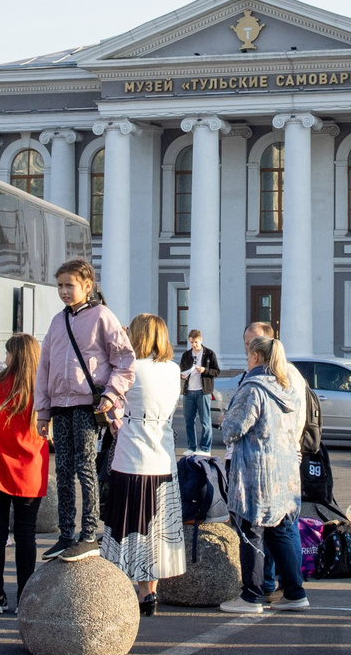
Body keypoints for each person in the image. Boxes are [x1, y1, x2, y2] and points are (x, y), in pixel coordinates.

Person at [36, 258, 134, 562]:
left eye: (70, 285)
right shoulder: (57, 321)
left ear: (87, 286)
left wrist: (111, 392)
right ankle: (66, 534)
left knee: (86, 467)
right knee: (63, 469)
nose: (64, 291)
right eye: (60, 286)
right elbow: (44, 367)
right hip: (59, 405)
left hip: (87, 404)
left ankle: (89, 533)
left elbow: (125, 361)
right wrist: (42, 411)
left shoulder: (103, 317)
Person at [218, 330, 307, 615]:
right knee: (280, 530)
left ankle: (252, 595)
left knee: (251, 530)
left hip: (256, 471)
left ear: (255, 356)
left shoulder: (253, 388)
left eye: (248, 355)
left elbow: (234, 429)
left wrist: (224, 419)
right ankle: (295, 592)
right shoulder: (287, 388)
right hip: (284, 470)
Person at [107, 315, 187, 614]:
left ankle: (130, 588)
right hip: (163, 456)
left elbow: (112, 400)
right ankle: (150, 592)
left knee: (128, 523)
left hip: (132, 456)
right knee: (156, 528)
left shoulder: (132, 368)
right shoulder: (173, 368)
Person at [0, 334, 51, 613]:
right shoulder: (41, 386)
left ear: (15, 354)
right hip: (30, 467)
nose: (5, 357)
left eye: (8, 352)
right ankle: (23, 598)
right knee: (26, 535)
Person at [179, 327, 221, 455]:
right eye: (191, 342)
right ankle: (192, 447)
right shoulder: (186, 355)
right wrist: (182, 375)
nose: (194, 345)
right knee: (189, 421)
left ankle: (205, 448)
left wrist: (204, 370)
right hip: (188, 392)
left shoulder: (209, 354)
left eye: (196, 342)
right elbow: (182, 370)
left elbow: (216, 371)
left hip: (203, 391)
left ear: (201, 340)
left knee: (205, 421)